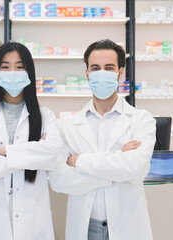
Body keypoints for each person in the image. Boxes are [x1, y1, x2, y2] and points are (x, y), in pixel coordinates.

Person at [49, 39, 156, 240]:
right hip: (86, 228)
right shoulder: (68, 125)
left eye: (109, 68)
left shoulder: (141, 120)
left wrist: (78, 161)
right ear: (87, 73)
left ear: (120, 72)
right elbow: (59, 180)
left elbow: (136, 168)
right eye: (95, 68)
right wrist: (116, 165)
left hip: (127, 226)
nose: (101, 73)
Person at [0, 41, 61, 240]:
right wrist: (32, 155)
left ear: (29, 72)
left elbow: (52, 155)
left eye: (19, 67)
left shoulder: (45, 116)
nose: (13, 72)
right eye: (5, 67)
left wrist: (1, 151)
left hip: (33, 221)